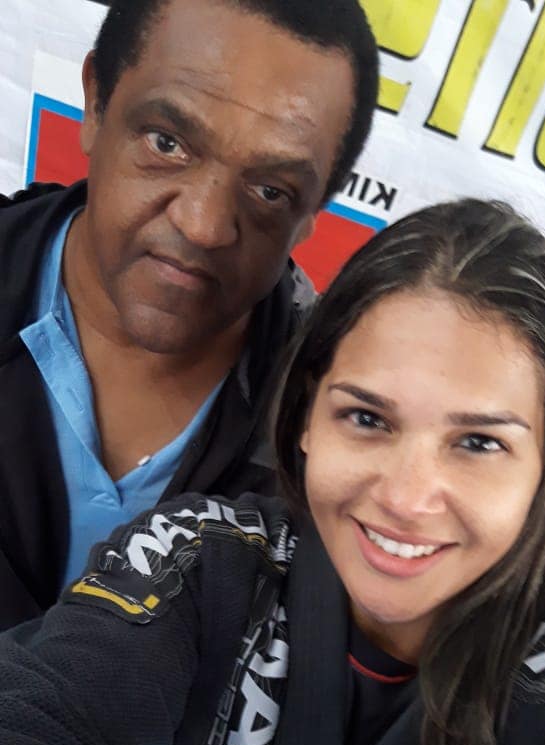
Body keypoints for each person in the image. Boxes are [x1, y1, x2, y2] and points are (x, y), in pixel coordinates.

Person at [0, 198, 545, 745]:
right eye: (366, 419)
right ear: (307, 417)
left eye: (479, 443)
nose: (407, 497)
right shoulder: (196, 562)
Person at [0, 0, 378, 629]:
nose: (203, 225)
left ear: (312, 213)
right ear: (95, 103)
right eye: (167, 142)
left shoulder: (342, 431)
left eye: (270, 190)